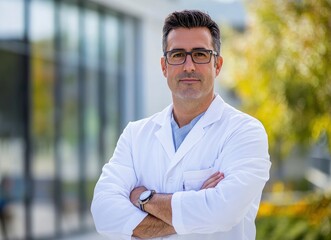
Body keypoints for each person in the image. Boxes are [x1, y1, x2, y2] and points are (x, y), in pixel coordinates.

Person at [91, 10, 271, 240]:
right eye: (177, 55)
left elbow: (223, 212)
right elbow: (104, 213)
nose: (189, 66)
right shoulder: (135, 136)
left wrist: (144, 198)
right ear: (164, 66)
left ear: (217, 65)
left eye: (200, 54)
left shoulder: (244, 132)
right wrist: (196, 209)